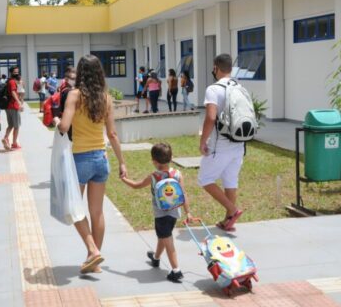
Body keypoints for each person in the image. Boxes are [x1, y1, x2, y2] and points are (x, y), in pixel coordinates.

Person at [54, 55, 127, 274]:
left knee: (74, 209)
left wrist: (57, 121)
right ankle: (93, 261)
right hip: (101, 159)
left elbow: (65, 127)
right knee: (97, 212)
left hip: (80, 160)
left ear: (80, 72)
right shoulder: (105, 98)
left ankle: (93, 251)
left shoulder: (74, 95)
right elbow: (112, 134)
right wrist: (122, 162)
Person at [120, 143, 192, 282]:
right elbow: (183, 194)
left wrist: (124, 179)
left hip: (160, 214)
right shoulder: (177, 174)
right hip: (174, 213)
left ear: (154, 161)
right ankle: (156, 258)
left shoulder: (154, 176)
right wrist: (188, 212)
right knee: (163, 236)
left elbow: (136, 185)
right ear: (171, 158)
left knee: (167, 239)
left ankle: (176, 270)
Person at [198, 54, 244, 231]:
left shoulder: (213, 89)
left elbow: (210, 117)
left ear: (216, 68)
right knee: (230, 181)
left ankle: (232, 210)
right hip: (238, 144)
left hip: (220, 145)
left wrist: (203, 141)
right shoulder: (239, 86)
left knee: (205, 179)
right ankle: (228, 221)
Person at [2, 66, 23, 150]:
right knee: (17, 126)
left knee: (10, 125)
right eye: (15, 72)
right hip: (14, 106)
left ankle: (6, 138)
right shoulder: (12, 82)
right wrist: (19, 102)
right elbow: (13, 92)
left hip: (8, 106)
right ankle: (14, 143)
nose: (17, 73)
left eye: (17, 71)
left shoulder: (9, 81)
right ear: (11, 73)